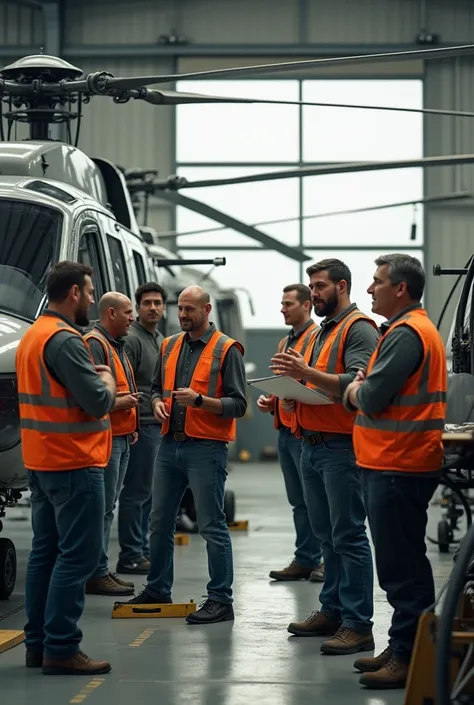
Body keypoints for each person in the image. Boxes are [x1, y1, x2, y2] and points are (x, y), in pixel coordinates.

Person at [344, 254, 446, 689]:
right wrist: (363, 384)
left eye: (377, 281)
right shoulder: (406, 331)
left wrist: (353, 388)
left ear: (400, 288)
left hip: (398, 463)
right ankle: (403, 644)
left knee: (402, 567)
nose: (370, 289)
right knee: (399, 563)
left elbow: (370, 397)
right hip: (393, 461)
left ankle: (409, 655)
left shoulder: (407, 334)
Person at [271, 258, 380, 655]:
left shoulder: (359, 329)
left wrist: (306, 374)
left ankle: (357, 623)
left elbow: (357, 382)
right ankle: (331, 609)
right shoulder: (322, 332)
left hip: (341, 448)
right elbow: (319, 383)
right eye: (312, 286)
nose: (313, 293)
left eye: (319, 286)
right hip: (310, 444)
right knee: (327, 537)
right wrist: (290, 386)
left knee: (349, 535)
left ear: (342, 286)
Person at [123, 285, 247, 624]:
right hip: (169, 445)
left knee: (211, 525)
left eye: (190, 309)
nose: (183, 314)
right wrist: (157, 403)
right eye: (180, 309)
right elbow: (152, 389)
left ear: (207, 310)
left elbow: (239, 404)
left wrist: (200, 402)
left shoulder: (227, 349)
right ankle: (158, 588)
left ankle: (221, 599)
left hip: (206, 448)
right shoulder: (169, 345)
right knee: (159, 521)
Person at [16, 261, 116, 675]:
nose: (92, 300)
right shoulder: (64, 339)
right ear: (74, 293)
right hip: (74, 461)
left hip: (41, 460)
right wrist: (107, 378)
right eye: (90, 292)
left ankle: (38, 645)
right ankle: (61, 647)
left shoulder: (32, 336)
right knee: (78, 557)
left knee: (45, 554)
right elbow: (98, 401)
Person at [257, 283, 324, 583]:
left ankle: (325, 559)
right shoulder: (285, 342)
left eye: (288, 304)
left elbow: (317, 381)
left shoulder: (317, 338)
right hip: (285, 430)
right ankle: (306, 558)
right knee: (298, 501)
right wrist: (270, 399)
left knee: (317, 501)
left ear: (306, 305)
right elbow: (284, 381)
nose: (282, 308)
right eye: (282, 303)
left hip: (305, 432)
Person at [84, 292, 140, 597]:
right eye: (128, 312)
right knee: (101, 509)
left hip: (121, 435)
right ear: (111, 314)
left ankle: (101, 569)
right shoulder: (96, 343)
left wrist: (131, 424)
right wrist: (123, 404)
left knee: (107, 508)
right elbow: (92, 397)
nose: (133, 318)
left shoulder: (116, 345)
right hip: (106, 438)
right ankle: (95, 573)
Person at [117, 282, 166, 575]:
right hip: (142, 426)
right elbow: (130, 385)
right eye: (147, 302)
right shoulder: (134, 340)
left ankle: (142, 550)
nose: (152, 308)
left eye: (157, 303)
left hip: (155, 425)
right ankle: (131, 554)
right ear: (138, 308)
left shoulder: (158, 339)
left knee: (148, 492)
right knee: (136, 493)